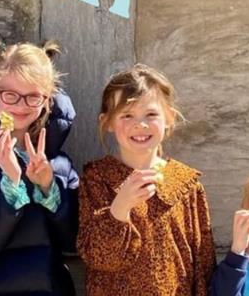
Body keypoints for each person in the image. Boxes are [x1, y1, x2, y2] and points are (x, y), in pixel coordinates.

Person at [77, 64, 215, 295]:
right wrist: (119, 208)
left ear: (169, 117)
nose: (139, 124)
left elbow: (203, 263)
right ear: (108, 122)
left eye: (150, 114)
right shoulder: (97, 180)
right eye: (127, 115)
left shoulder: (186, 184)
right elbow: (98, 258)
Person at [0, 39, 79, 295]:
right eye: (10, 94)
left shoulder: (60, 164)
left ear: (47, 99)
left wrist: (48, 188)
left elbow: (73, 243)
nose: (20, 106)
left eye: (33, 96)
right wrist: (11, 181)